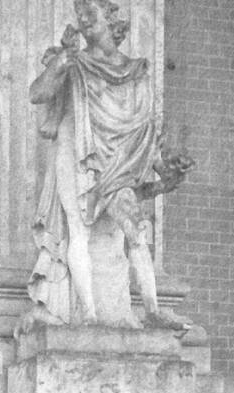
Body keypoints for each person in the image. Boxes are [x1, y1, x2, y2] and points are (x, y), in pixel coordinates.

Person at [24, 0, 191, 330]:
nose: (84, 22)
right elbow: (37, 93)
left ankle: (153, 308)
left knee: (136, 230)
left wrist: (162, 169)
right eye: (81, 16)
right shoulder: (75, 61)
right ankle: (89, 315)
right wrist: (62, 60)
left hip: (118, 159)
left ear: (113, 21)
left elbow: (144, 127)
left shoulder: (137, 70)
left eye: (92, 15)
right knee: (78, 230)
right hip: (76, 151)